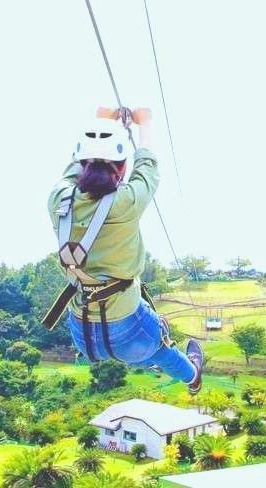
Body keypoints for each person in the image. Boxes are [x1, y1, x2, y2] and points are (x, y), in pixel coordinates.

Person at [44, 106, 203, 394]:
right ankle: (192, 375)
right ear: (121, 168)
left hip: (84, 337)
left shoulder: (58, 199)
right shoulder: (125, 202)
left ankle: (150, 355)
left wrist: (101, 121)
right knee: (160, 347)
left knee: (146, 346)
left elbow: (74, 169)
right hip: (129, 331)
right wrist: (146, 123)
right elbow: (148, 170)